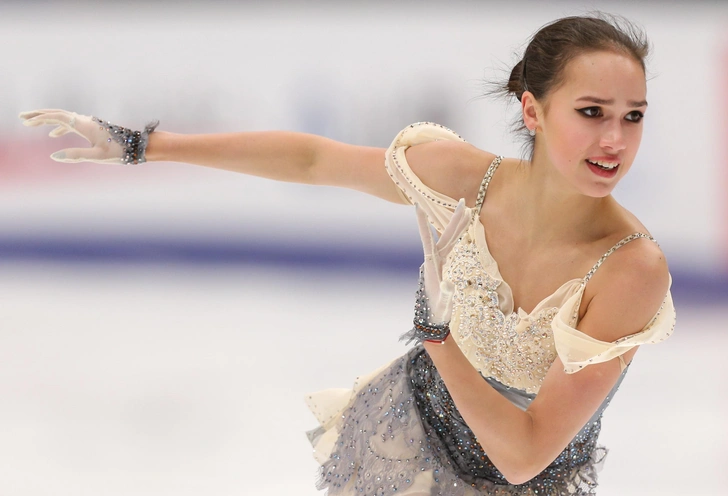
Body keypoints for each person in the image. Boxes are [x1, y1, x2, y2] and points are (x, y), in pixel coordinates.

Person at [19, 13, 675, 496]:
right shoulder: (462, 180)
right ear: (533, 111)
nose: (615, 139)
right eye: (592, 111)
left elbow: (525, 456)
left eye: (634, 116)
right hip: (404, 443)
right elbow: (312, 158)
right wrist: (147, 147)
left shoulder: (629, 269)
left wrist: (438, 337)